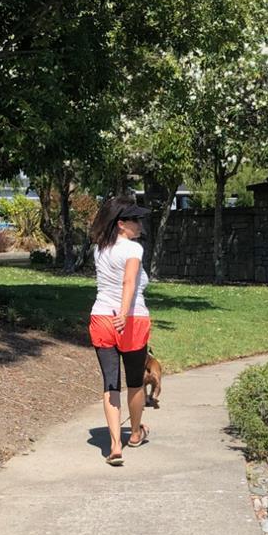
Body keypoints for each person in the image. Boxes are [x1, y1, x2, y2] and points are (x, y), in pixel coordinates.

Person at [88, 196, 152, 466]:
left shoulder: (99, 249)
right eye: (135, 220)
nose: (140, 225)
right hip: (132, 319)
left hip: (101, 317)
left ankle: (115, 445)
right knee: (135, 381)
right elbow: (128, 282)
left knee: (110, 383)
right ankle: (135, 433)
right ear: (122, 224)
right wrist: (124, 314)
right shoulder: (133, 249)